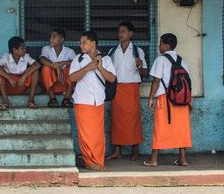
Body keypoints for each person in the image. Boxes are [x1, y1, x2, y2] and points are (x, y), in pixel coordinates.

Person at [69, 31, 116, 171]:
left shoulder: (106, 59)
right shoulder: (78, 59)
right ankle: (89, 162)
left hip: (98, 100)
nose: (81, 45)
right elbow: (72, 78)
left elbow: (112, 78)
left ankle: (98, 161)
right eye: (80, 42)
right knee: (85, 134)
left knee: (97, 134)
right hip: (82, 100)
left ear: (93, 43)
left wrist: (100, 68)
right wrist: (87, 68)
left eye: (84, 42)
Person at [145, 33, 193, 167]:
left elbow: (156, 80)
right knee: (182, 129)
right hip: (182, 100)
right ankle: (182, 159)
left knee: (160, 128)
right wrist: (190, 100)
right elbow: (188, 83)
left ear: (166, 45)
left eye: (160, 43)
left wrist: (150, 98)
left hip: (165, 99)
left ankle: (153, 159)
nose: (159, 46)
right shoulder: (182, 60)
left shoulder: (160, 60)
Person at [106, 21, 148, 161]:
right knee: (116, 119)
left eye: (124, 31)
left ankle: (135, 150)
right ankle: (117, 151)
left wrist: (140, 66)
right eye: (119, 31)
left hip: (131, 88)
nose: (121, 34)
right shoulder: (113, 51)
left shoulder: (137, 51)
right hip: (117, 88)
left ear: (130, 33)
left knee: (133, 119)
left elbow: (145, 73)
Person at [0, 36, 41, 110]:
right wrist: (9, 78)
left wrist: (24, 77)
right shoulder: (6, 57)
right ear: (14, 50)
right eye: (22, 48)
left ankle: (31, 100)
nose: (24, 50)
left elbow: (37, 65)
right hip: (10, 85)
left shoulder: (26, 57)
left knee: (35, 71)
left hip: (22, 85)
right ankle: (5, 102)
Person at [40, 28, 76, 108]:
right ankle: (52, 99)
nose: (51, 39)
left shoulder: (69, 51)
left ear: (61, 39)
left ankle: (66, 98)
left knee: (72, 68)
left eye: (54, 36)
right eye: (50, 37)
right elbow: (42, 59)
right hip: (50, 85)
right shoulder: (46, 49)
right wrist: (57, 67)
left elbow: (77, 64)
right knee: (46, 68)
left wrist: (62, 63)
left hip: (64, 85)